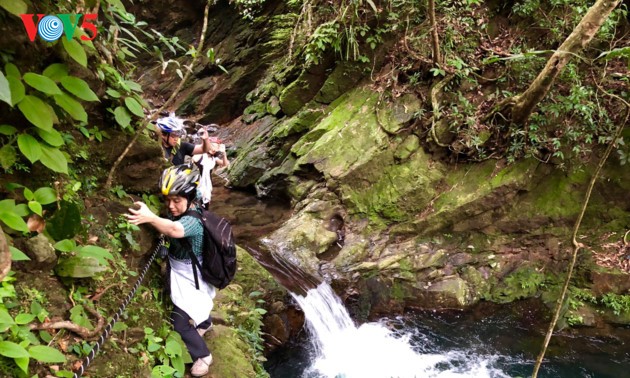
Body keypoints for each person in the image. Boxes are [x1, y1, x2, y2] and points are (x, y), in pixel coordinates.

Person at [124, 164, 214, 377]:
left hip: (192, 275)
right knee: (198, 303)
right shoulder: (193, 198)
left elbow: (175, 229)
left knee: (179, 321)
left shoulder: (193, 220)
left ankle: (204, 356)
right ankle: (206, 322)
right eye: (168, 200)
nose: (171, 206)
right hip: (184, 269)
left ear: (189, 197)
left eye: (176, 201)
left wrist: (150, 218)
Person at [192, 134, 230, 210]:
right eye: (212, 146)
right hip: (196, 185)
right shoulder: (200, 155)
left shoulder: (213, 159)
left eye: (216, 147)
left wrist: (224, 153)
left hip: (207, 187)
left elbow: (226, 165)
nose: (214, 149)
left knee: (205, 207)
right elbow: (194, 160)